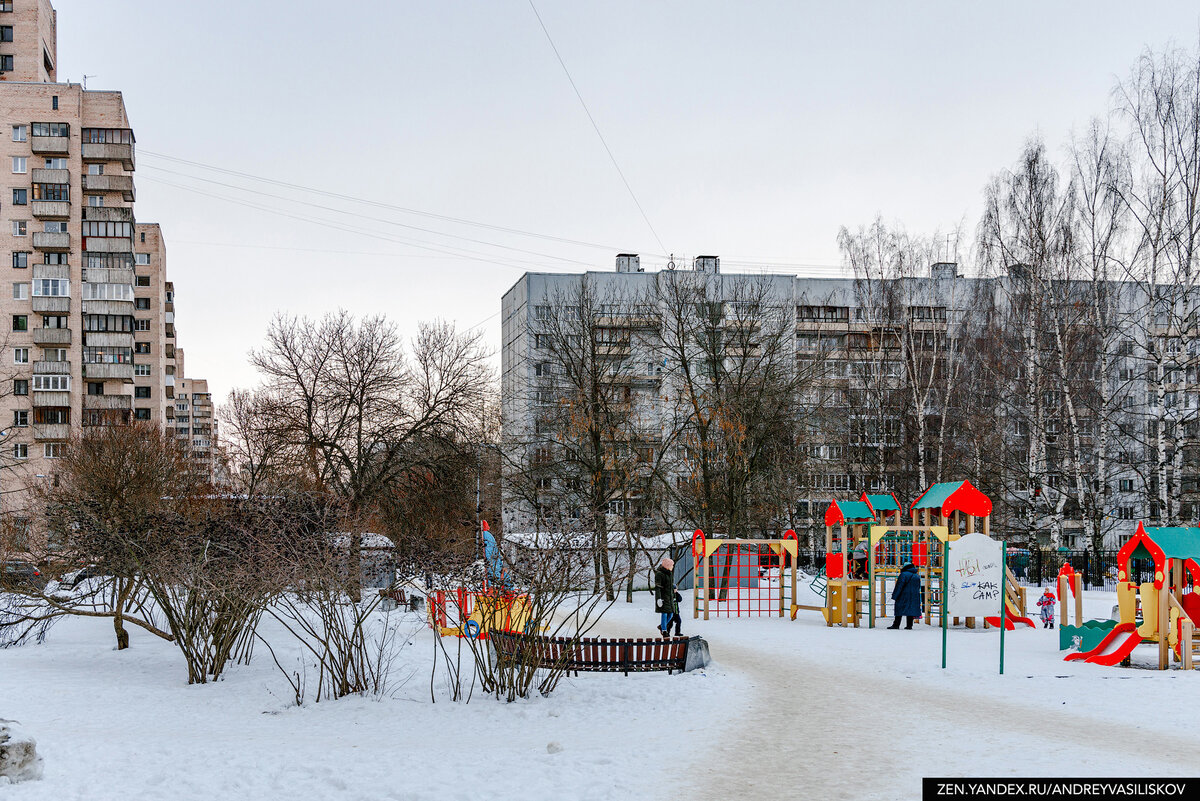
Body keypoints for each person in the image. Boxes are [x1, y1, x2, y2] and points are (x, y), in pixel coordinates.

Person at [888, 562, 922, 629]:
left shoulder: (903, 574)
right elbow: (918, 587)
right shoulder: (916, 575)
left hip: (903, 595)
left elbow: (899, 586)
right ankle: (909, 625)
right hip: (914, 596)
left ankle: (896, 624)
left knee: (899, 609)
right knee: (910, 610)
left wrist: (895, 595)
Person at [654, 556, 679, 637]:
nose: (672, 567)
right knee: (664, 613)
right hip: (663, 598)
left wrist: (673, 588)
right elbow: (658, 587)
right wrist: (658, 599)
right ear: (667, 566)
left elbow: (669, 585)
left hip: (669, 597)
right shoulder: (659, 574)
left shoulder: (669, 573)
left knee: (671, 614)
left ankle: (662, 626)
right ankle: (664, 630)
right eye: (671, 565)